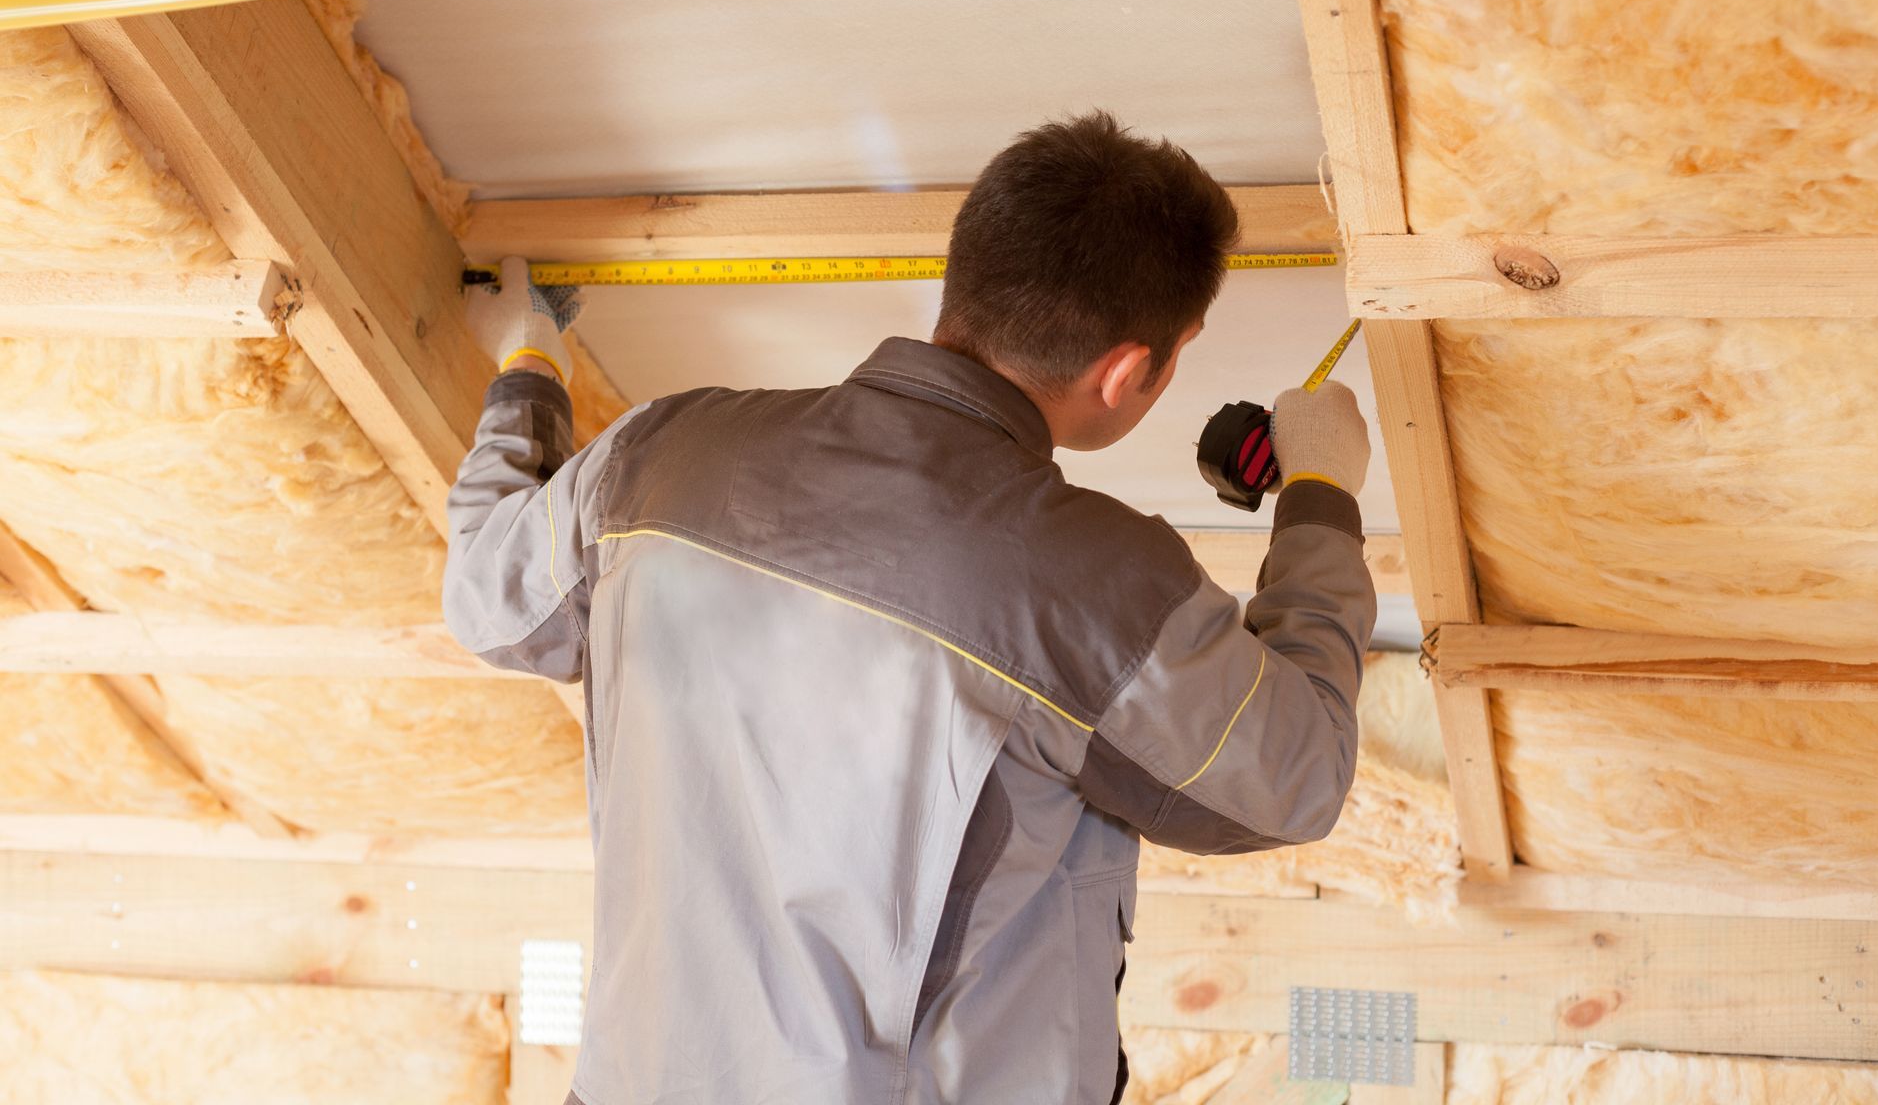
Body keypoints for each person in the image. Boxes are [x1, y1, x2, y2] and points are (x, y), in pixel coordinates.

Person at [445, 111, 1376, 1105]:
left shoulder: (658, 453)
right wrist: (1322, 489)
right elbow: (1297, 771)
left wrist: (529, 366)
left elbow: (486, 598)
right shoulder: (1095, 580)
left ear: (965, 277)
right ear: (1123, 370)